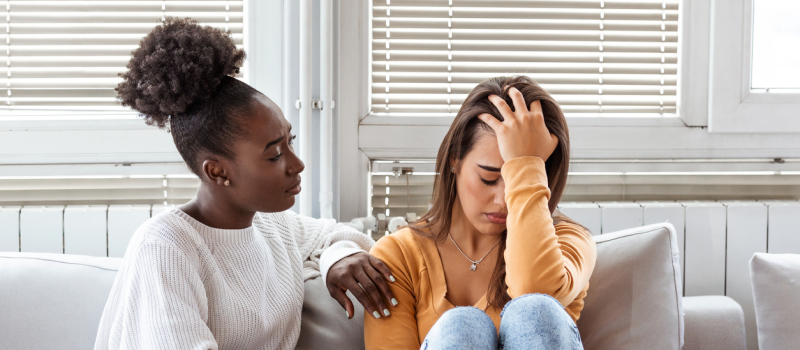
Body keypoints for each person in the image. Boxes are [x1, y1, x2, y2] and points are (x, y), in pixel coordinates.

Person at [94, 18, 398, 350]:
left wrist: (338, 257)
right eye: (274, 155)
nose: (297, 165)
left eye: (290, 142)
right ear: (217, 172)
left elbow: (331, 236)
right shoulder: (166, 248)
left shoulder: (270, 225)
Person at [364, 76, 597, 350]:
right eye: (488, 178)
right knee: (461, 326)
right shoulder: (398, 256)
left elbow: (534, 292)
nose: (503, 200)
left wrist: (524, 162)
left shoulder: (569, 242)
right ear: (455, 160)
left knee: (534, 308)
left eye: (520, 179)